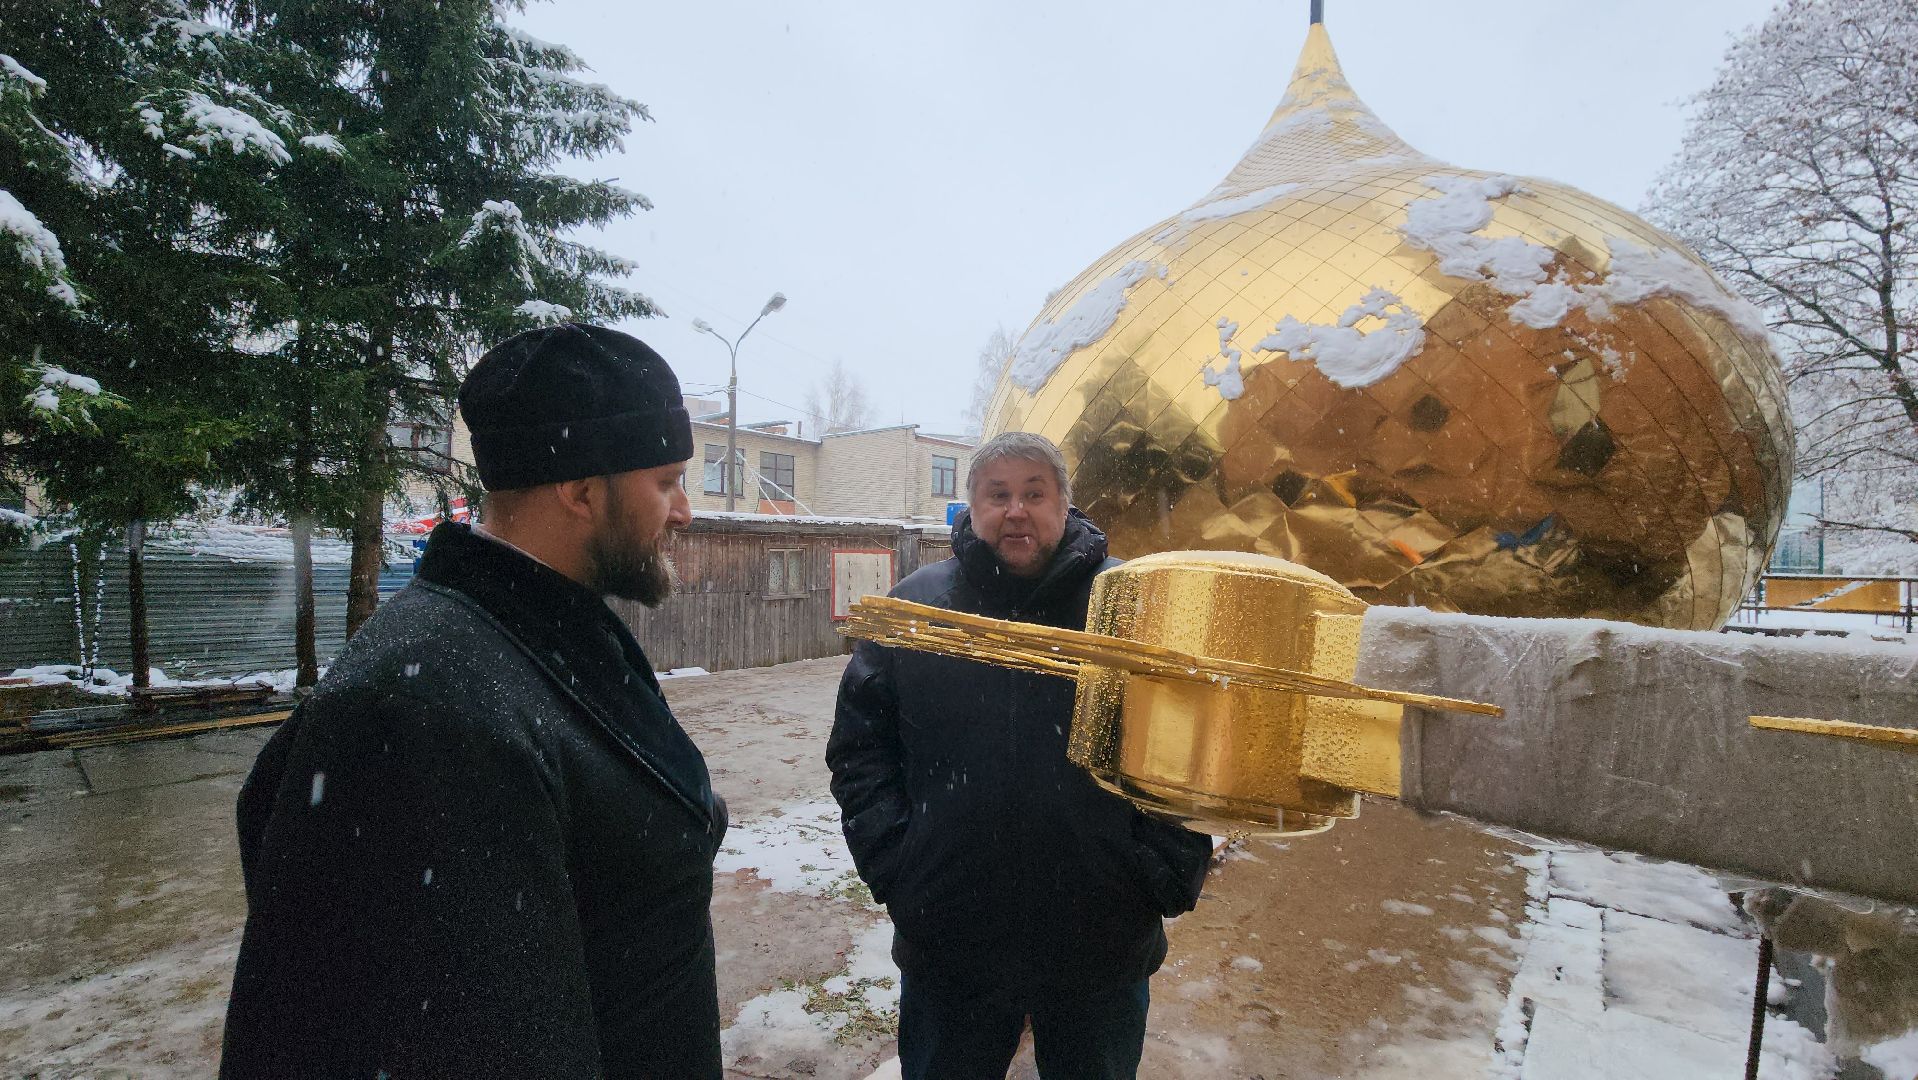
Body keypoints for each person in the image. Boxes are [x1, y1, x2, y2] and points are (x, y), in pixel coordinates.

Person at [220, 325, 727, 1079]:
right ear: (583, 490)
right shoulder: (420, 708)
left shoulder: (550, 627)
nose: (684, 510)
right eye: (665, 480)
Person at [828, 431, 1213, 1080]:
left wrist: (1159, 865)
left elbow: (1195, 741)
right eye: (997, 494)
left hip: (1100, 935)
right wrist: (900, 864)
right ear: (971, 507)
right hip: (952, 938)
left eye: (1035, 493)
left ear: (1065, 503)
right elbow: (861, 749)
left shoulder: (1134, 609)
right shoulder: (918, 610)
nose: (1016, 510)